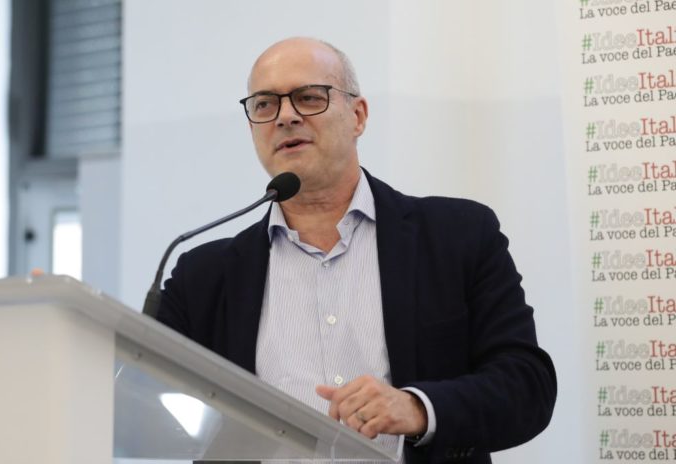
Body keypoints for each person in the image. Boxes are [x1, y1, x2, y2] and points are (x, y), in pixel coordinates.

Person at [157, 37, 556, 464]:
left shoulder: (457, 237)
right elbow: (147, 395)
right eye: (265, 105)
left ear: (358, 116)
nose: (286, 116)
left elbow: (526, 386)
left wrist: (419, 408)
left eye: (309, 97)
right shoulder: (203, 276)